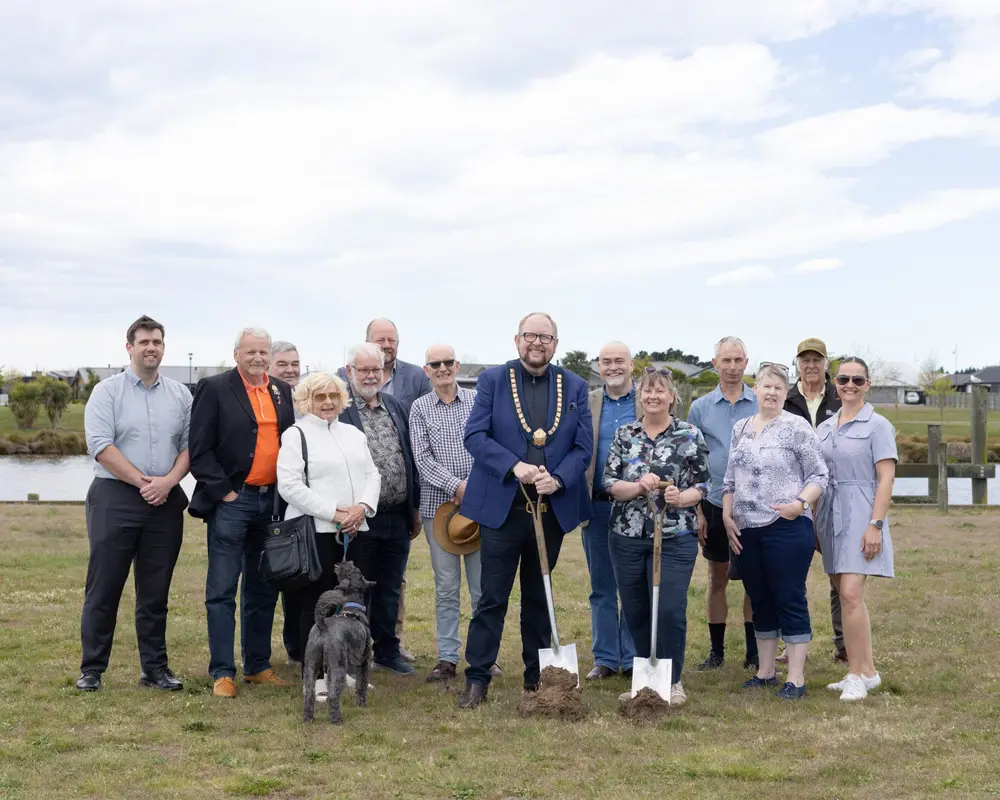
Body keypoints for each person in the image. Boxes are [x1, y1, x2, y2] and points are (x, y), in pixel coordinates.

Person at [456, 312, 593, 709]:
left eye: (545, 337)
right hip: (503, 510)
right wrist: (513, 466)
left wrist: (560, 479)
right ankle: (477, 678)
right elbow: (474, 436)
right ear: (517, 340)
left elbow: (583, 447)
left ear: (555, 344)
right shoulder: (492, 380)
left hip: (549, 512)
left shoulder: (575, 386)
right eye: (530, 335)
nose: (537, 343)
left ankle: (538, 679)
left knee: (539, 597)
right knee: (492, 598)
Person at [76, 315, 192, 693]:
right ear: (130, 347)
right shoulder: (106, 392)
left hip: (165, 499)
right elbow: (100, 446)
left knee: (155, 591)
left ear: (163, 347)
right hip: (115, 497)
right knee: (104, 587)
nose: (151, 348)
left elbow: (191, 446)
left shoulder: (181, 395)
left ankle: (154, 669)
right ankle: (92, 669)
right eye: (144, 342)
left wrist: (168, 482)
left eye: (157, 342)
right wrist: (144, 483)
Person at [188, 327, 296, 698]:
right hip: (233, 502)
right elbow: (199, 449)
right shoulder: (215, 388)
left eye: (263, 352)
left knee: (262, 587)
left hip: (272, 502)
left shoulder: (281, 390)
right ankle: (222, 672)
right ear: (236, 354)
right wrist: (226, 492)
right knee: (222, 589)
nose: (257, 358)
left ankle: (257, 666)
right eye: (250, 351)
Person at [602, 367, 710, 707]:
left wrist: (682, 497)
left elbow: (704, 485)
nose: (653, 396)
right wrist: (637, 487)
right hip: (627, 535)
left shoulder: (690, 434)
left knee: (669, 610)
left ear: (671, 397)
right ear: (639, 396)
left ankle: (673, 679)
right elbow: (608, 483)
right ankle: (646, 678)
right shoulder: (624, 435)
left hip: (675, 535)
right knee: (635, 609)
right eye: (647, 390)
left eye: (660, 390)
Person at [723, 363, 829, 700]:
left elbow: (819, 475)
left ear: (786, 393)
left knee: (789, 596)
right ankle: (765, 672)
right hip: (746, 529)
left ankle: (795, 678)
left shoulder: (797, 427)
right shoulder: (740, 428)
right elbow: (729, 479)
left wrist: (800, 503)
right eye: (766, 386)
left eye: (778, 388)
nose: (771, 392)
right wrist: (726, 514)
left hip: (787, 526)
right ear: (755, 389)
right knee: (759, 598)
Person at [276, 372, 381, 700]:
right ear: (305, 401)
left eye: (333, 396)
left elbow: (372, 474)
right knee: (316, 607)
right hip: (316, 533)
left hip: (355, 531)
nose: (327, 402)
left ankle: (343, 669)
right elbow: (290, 485)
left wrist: (362, 507)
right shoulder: (296, 435)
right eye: (319, 396)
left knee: (350, 606)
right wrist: (335, 513)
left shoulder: (353, 434)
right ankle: (316, 677)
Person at [338, 318, 430, 662]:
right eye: (363, 370)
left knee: (391, 587)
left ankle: (387, 651)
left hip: (397, 514)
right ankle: (354, 654)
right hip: (359, 518)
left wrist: (414, 508)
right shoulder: (341, 410)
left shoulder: (395, 407)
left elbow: (410, 457)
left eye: (375, 370)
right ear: (350, 371)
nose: (370, 376)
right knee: (356, 588)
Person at [408, 345, 499, 682]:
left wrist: (473, 487)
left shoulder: (478, 401)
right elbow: (422, 457)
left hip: (480, 505)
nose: (443, 368)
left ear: (457, 365)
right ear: (427, 370)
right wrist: (456, 487)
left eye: (448, 362)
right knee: (446, 587)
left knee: (481, 587)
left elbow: (490, 445)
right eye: (436, 364)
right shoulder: (419, 408)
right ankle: (447, 657)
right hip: (438, 507)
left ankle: (483, 656)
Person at [815, 357, 896, 701]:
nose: (850, 385)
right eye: (844, 379)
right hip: (828, 516)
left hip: (862, 514)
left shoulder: (878, 426)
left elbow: (886, 478)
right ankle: (868, 671)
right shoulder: (824, 428)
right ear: (835, 383)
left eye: (857, 380)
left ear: (868, 385)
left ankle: (855, 674)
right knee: (847, 595)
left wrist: (875, 525)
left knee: (849, 593)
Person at [687, 336, 758, 672]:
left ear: (746, 363)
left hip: (754, 504)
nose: (732, 367)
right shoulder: (700, 408)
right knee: (717, 577)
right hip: (713, 501)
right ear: (715, 363)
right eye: (726, 360)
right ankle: (716, 652)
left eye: (738, 360)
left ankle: (754, 652)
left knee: (754, 579)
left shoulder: (760, 402)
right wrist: (698, 510)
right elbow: (691, 460)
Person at [784, 337, 846, 663]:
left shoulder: (840, 396)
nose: (810, 366)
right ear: (798, 363)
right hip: (794, 496)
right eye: (805, 360)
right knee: (791, 574)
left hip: (834, 496)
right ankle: (793, 645)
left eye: (816, 360)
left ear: (826, 363)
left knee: (839, 573)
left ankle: (844, 643)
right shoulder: (786, 399)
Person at [581, 341, 639, 681]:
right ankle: (604, 657)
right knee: (601, 585)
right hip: (598, 505)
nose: (613, 367)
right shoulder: (586, 402)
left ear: (631, 365)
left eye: (619, 360)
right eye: (606, 361)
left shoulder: (648, 399)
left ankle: (631, 658)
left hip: (638, 508)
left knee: (633, 583)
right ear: (599, 367)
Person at [269, 339, 304, 665]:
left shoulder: (307, 399)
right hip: (271, 495)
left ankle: (299, 645)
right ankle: (263, 653)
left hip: (306, 498)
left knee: (302, 571)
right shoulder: (266, 398)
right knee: (276, 575)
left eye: (295, 364)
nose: (290, 370)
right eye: (283, 364)